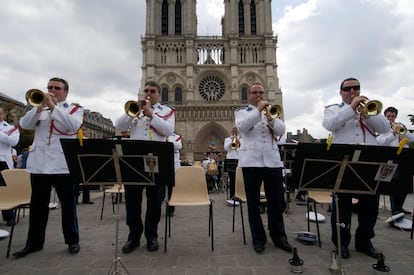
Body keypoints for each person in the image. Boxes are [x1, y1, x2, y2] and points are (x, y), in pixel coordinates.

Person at [13, 77, 83, 258]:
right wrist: (38, 109)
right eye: (50, 87)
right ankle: (34, 243)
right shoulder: (39, 109)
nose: (52, 90)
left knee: (68, 207)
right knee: (37, 207)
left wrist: (53, 107)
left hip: (62, 166)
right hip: (40, 165)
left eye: (57, 88)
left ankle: (72, 240)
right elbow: (24, 125)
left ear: (66, 92)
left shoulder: (74, 109)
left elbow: (73, 126)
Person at [322, 77, 390, 259]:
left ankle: (364, 241)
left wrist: (367, 114)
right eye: (347, 88)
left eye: (356, 88)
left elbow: (384, 128)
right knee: (341, 205)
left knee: (370, 206)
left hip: (369, 161)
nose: (352, 91)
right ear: (341, 92)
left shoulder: (370, 107)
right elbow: (330, 125)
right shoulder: (333, 109)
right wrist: (352, 108)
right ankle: (341, 242)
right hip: (345, 161)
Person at [115, 80, 175, 253]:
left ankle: (151, 236)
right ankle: (133, 236)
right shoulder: (134, 109)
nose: (148, 93)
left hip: (154, 159)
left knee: (155, 201)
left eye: (152, 91)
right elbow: (120, 125)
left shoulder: (166, 111)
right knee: (132, 201)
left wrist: (151, 115)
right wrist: (133, 112)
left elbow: (168, 131)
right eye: (146, 90)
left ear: (159, 94)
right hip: (133, 159)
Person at [234, 83, 292, 254]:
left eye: (260, 92)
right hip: (251, 161)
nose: (258, 95)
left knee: (276, 202)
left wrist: (271, 118)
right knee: (253, 203)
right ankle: (258, 238)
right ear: (248, 95)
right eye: (254, 92)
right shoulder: (242, 112)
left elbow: (281, 129)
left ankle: (279, 237)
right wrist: (258, 111)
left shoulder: (271, 111)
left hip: (272, 161)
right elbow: (242, 127)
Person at [376, 106, 414, 215]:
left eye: (393, 116)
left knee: (405, 184)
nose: (391, 118)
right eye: (388, 116)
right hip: (389, 156)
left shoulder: (401, 126)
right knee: (393, 183)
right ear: (385, 116)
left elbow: (411, 139)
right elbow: (382, 142)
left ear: (395, 117)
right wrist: (393, 134)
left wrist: (402, 132)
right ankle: (395, 209)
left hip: (402, 156)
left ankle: (399, 207)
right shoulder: (382, 128)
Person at [0, 107, 20, 226]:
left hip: (3, 160)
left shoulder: (11, 128)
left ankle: (9, 216)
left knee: (5, 189)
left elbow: (13, 142)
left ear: (3, 115)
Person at [165, 132, 182, 217]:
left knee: (170, 189)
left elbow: (178, 146)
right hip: (162, 162)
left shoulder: (176, 136)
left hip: (172, 164)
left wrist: (166, 141)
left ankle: (170, 208)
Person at [223, 126, 240, 205]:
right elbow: (226, 148)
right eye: (233, 131)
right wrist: (232, 140)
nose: (234, 132)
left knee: (239, 179)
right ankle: (232, 196)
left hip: (240, 159)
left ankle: (240, 195)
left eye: (236, 131)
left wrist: (237, 140)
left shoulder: (241, 139)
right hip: (231, 159)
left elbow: (242, 147)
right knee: (232, 179)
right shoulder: (227, 139)